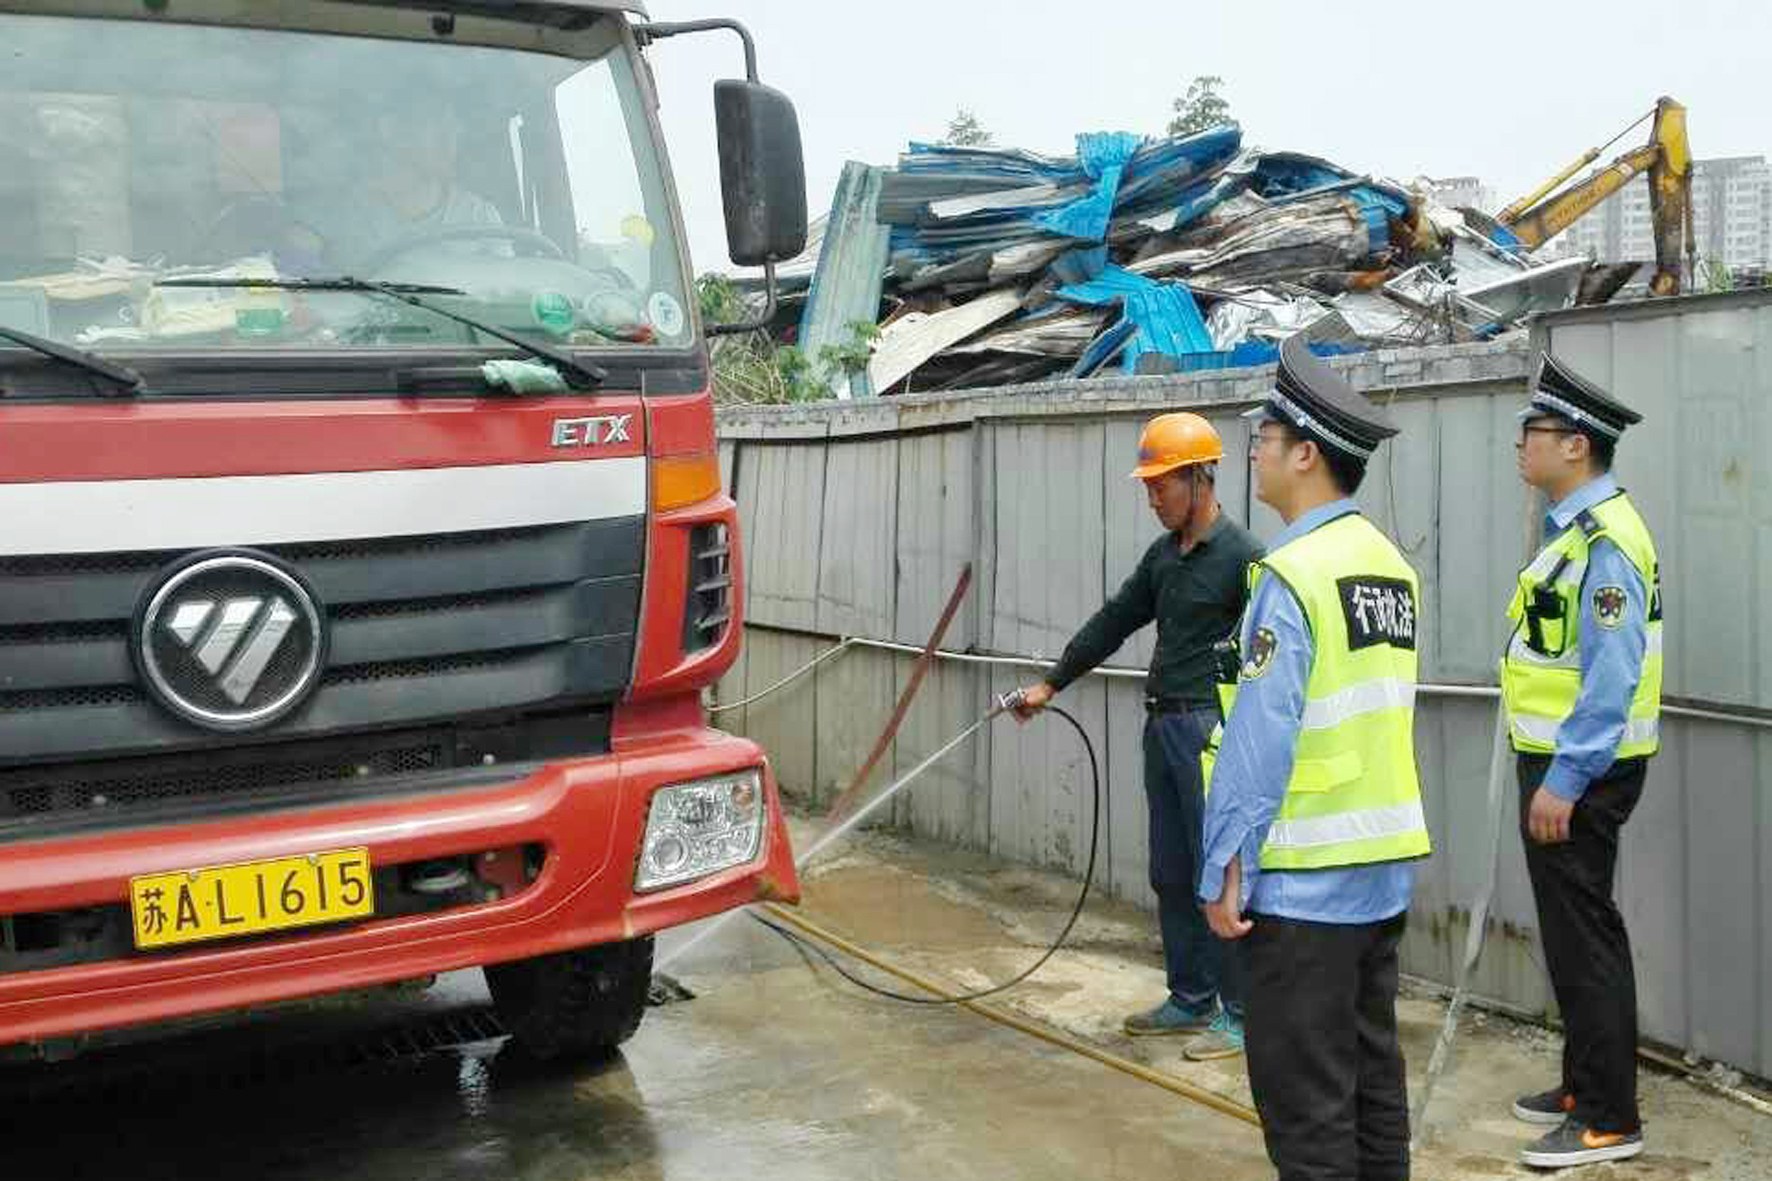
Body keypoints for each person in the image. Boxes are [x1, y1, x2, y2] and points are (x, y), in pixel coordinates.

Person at [1200, 334, 1431, 1181]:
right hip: (1377, 872)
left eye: (1262, 435)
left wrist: (1225, 862)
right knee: (1373, 1089)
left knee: (1307, 1114)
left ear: (1305, 452)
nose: (1251, 449)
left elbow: (1261, 739)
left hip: (1301, 885)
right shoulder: (1387, 567)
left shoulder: (1292, 574)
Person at [1013, 411, 1262, 1059]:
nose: (1153, 499)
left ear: (1200, 479)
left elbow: (1272, 654)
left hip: (1213, 729)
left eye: (1162, 486)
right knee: (1171, 870)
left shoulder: (1244, 557)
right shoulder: (1164, 558)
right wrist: (1052, 683)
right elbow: (1115, 619)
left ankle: (1239, 1013)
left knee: (1223, 873)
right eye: (1148, 487)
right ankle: (1190, 994)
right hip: (1163, 725)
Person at [1501, 354, 1660, 1169]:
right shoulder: (1573, 533)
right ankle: (1581, 1082)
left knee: (1587, 938)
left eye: (1533, 432)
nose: (1520, 445)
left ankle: (1607, 1117)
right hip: (1563, 763)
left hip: (1582, 773)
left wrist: (1565, 778)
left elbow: (1611, 672)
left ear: (1575, 445)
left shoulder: (1605, 542)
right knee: (1570, 939)